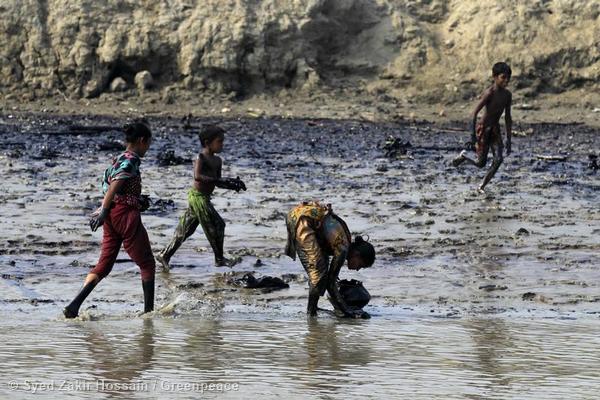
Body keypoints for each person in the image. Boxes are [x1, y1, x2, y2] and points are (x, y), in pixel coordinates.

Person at [64, 120, 156, 318]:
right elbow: (116, 185)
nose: (148, 149)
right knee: (147, 263)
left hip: (112, 216)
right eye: (148, 144)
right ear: (142, 141)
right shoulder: (131, 160)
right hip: (122, 215)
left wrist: (137, 201)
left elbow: (116, 189)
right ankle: (149, 315)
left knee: (104, 265)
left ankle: (74, 305)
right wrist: (105, 211)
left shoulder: (119, 158)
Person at [156, 124, 246, 271]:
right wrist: (219, 181)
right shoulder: (201, 157)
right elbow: (197, 176)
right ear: (207, 142)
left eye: (223, 141)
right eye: (219, 141)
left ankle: (164, 255)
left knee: (185, 230)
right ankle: (219, 258)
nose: (222, 144)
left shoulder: (218, 161)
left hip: (204, 197)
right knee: (217, 224)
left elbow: (218, 181)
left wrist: (232, 184)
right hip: (197, 197)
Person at [285, 201, 375, 318]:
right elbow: (331, 283)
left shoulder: (343, 244)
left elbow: (329, 281)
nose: (357, 269)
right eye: (360, 265)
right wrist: (346, 310)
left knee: (322, 269)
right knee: (318, 272)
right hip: (303, 220)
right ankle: (311, 313)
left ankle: (313, 309)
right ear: (357, 255)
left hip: (300, 215)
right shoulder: (343, 249)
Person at [452, 62, 513, 192]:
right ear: (495, 77)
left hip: (495, 129)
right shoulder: (490, 93)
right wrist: (473, 136)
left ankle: (482, 186)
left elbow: (508, 117)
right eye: (503, 77)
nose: (506, 81)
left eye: (508, 78)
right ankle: (464, 157)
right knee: (481, 163)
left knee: (498, 159)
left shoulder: (507, 95)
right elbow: (474, 113)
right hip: (484, 128)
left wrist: (509, 139)